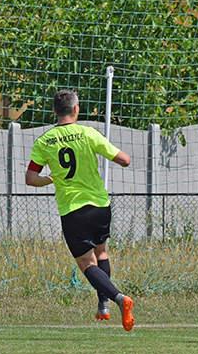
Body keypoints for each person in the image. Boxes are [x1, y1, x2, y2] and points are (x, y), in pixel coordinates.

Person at [25, 89, 134, 331]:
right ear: (76, 109)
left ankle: (119, 299)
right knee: (101, 253)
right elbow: (124, 160)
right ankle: (102, 306)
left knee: (87, 263)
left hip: (73, 210)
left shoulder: (44, 141)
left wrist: (50, 180)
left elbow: (31, 178)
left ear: (54, 111)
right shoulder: (88, 133)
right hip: (99, 205)